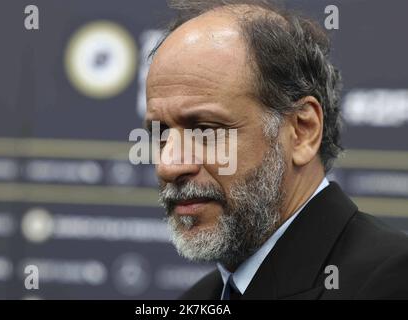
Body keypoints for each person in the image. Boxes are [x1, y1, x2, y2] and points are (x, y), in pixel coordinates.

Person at [144, 0, 408, 299]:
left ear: (303, 130)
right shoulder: (198, 299)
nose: (169, 165)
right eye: (161, 133)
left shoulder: (392, 282)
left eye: (205, 130)